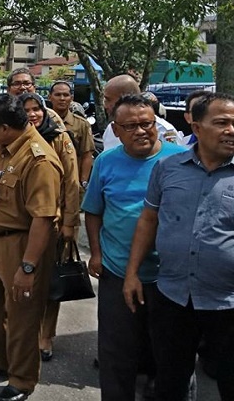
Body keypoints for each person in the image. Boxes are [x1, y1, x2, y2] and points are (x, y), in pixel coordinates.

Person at [124, 92, 234, 400]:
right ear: (197, 128)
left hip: (227, 302)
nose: (231, 130)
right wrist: (132, 273)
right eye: (222, 122)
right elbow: (148, 220)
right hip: (173, 297)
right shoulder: (168, 169)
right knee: (170, 382)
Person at [82, 94, 185, 400]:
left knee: (168, 353)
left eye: (146, 123)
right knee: (117, 352)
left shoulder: (178, 159)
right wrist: (97, 255)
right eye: (131, 126)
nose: (141, 131)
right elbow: (94, 211)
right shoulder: (106, 162)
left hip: (169, 275)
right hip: (117, 269)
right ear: (116, 129)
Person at [0, 94, 62, 401]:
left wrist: (28, 266)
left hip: (20, 245)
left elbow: (44, 218)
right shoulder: (5, 147)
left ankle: (21, 380)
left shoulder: (39, 159)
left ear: (5, 127)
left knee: (22, 316)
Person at [19, 92, 81, 361]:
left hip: (53, 221)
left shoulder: (58, 138)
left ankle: (46, 336)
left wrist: (69, 223)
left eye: (37, 109)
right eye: (27, 110)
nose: (33, 114)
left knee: (50, 283)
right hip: (23, 223)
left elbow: (72, 183)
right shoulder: (17, 139)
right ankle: (25, 333)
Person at [102, 75, 182, 150]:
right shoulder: (111, 129)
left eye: (108, 100)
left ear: (126, 98)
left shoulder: (164, 131)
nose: (105, 106)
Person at [48, 81, 94, 191]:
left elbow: (87, 154)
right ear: (50, 97)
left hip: (72, 182)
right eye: (58, 95)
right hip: (47, 180)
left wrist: (83, 182)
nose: (62, 98)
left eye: (66, 95)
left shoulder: (82, 124)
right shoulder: (42, 122)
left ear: (71, 98)